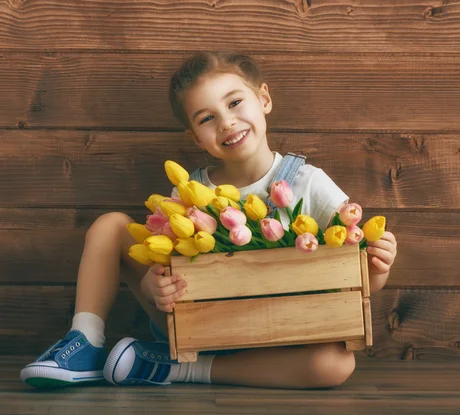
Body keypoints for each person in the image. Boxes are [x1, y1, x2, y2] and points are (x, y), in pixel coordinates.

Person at [20, 51, 398, 389]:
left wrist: (377, 263)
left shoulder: (306, 181)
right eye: (207, 118)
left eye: (235, 102)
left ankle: (179, 370)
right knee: (110, 225)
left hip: (280, 335)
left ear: (263, 99)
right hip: (199, 326)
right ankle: (85, 342)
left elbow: (355, 276)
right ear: (195, 137)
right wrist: (156, 287)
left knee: (334, 365)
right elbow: (164, 263)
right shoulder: (189, 193)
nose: (228, 123)